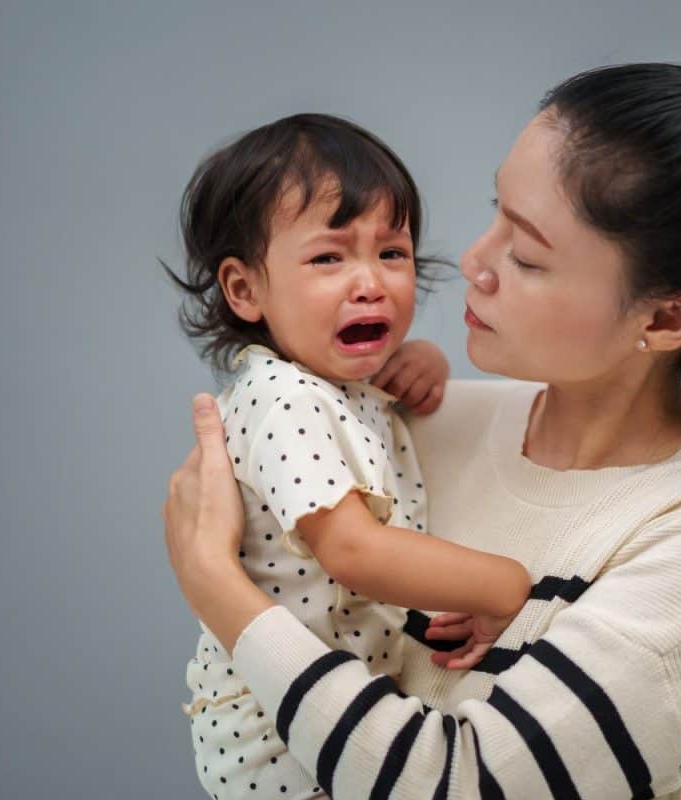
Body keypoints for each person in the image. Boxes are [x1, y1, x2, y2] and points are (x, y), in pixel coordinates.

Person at [163, 63, 681, 799]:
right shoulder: (410, 423)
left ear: (667, 316)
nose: (473, 262)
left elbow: (461, 784)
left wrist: (218, 591)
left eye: (529, 256)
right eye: (493, 213)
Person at [162, 113, 532, 799]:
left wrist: (416, 361)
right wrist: (506, 584)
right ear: (244, 290)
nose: (370, 283)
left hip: (328, 706)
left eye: (391, 253)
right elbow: (354, 551)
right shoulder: (283, 398)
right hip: (275, 741)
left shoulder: (335, 384)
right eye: (328, 258)